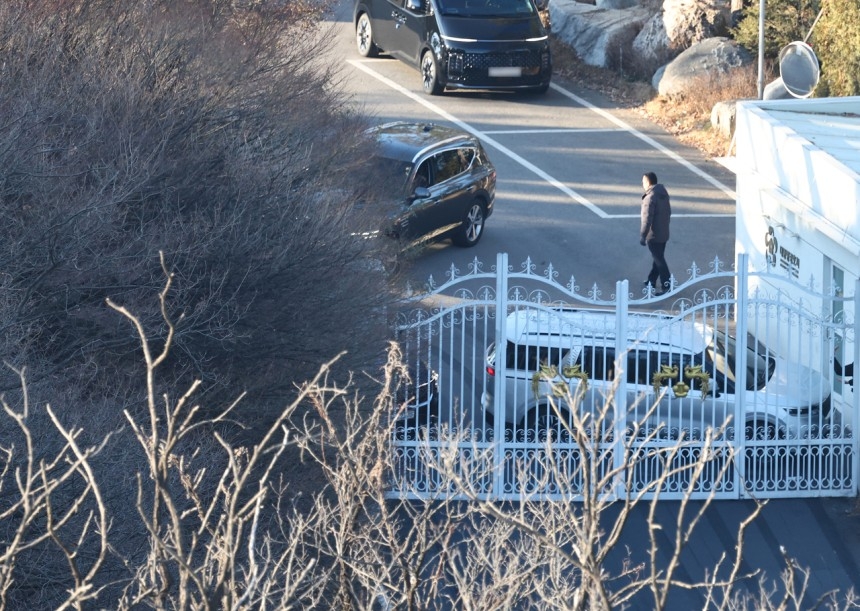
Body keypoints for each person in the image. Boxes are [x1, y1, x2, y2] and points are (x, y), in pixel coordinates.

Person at [640, 171, 672, 294]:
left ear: (648, 182)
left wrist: (643, 235)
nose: (642, 183)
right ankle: (651, 280)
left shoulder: (650, 198)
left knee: (659, 260)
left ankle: (667, 284)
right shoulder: (663, 194)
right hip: (664, 232)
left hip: (654, 235)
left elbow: (647, 218)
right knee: (658, 257)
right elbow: (668, 213)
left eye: (643, 181)